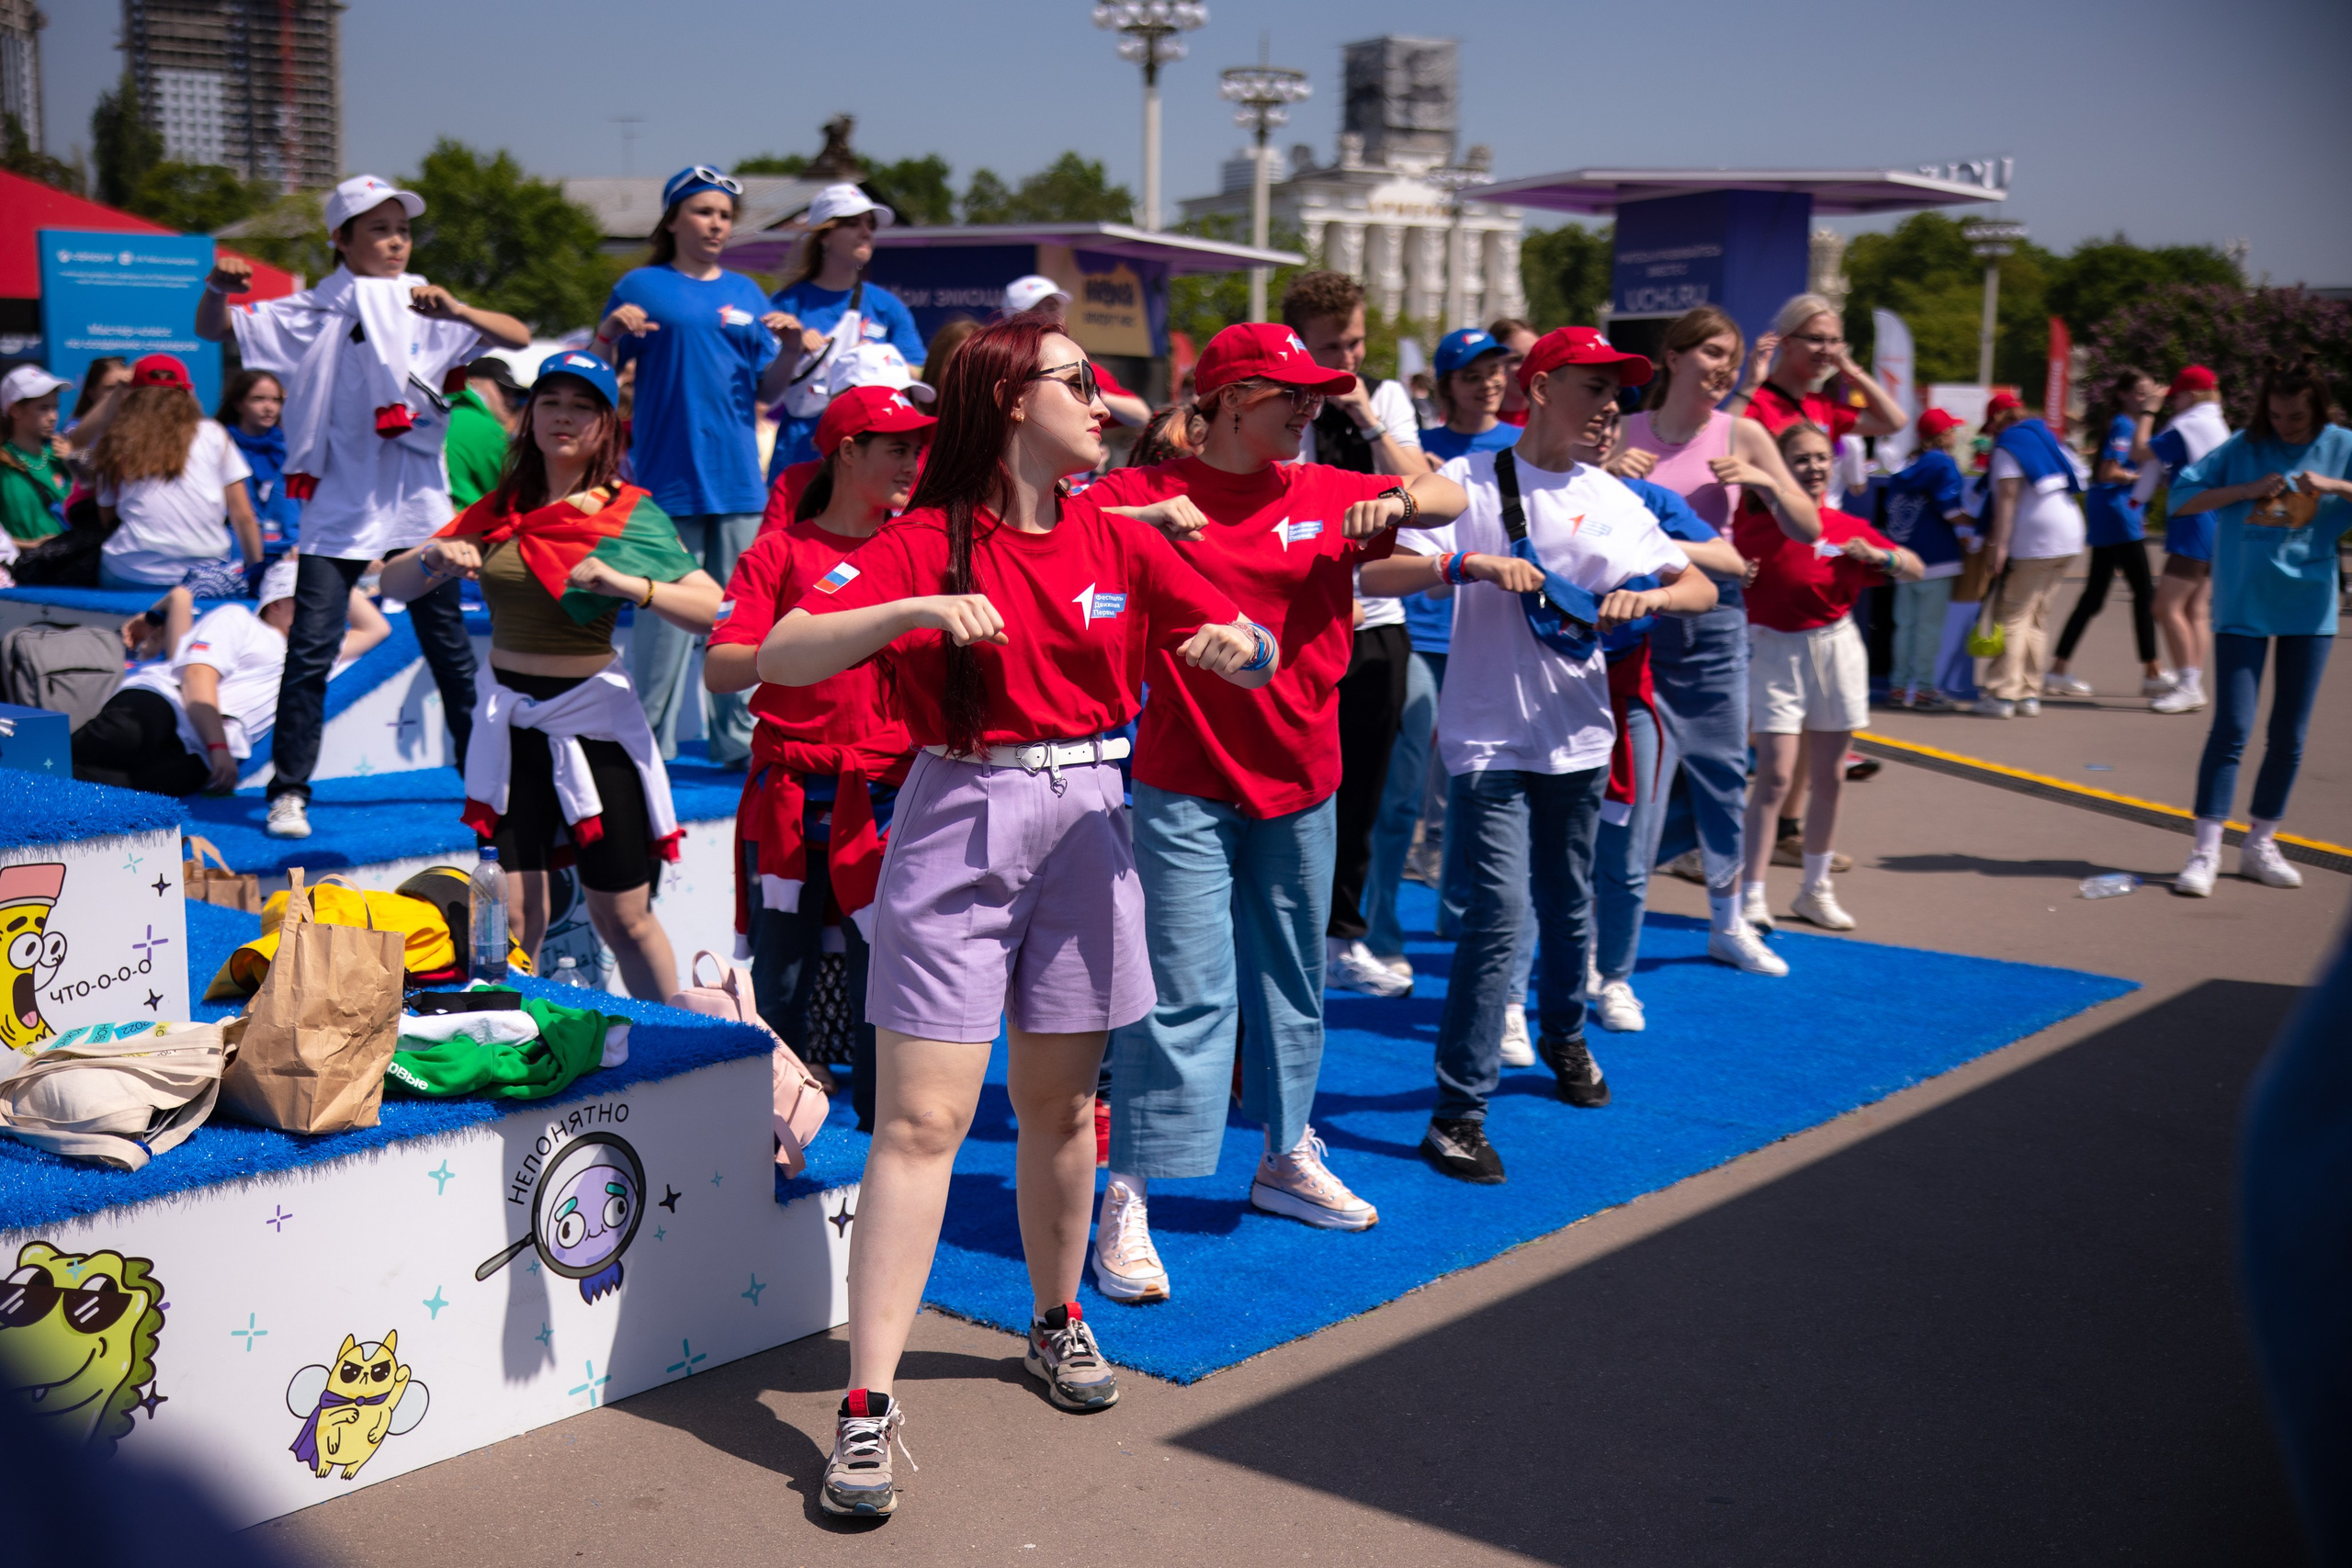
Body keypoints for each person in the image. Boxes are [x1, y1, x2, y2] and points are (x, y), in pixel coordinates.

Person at [755, 311, 1269, 1517]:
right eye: (1079, 382)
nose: (1106, 401)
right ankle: (866, 1405)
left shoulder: (1112, 530)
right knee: (923, 1122)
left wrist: (1236, 646)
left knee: (1060, 1105)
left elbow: (1226, 635)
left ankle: (1054, 1317)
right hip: (961, 811)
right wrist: (911, 614)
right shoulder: (920, 536)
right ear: (1004, 401)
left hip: (1093, 815)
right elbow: (778, 653)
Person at [1076, 321, 1465, 1300]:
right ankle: (1127, 1192)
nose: (1308, 409)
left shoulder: (1328, 489)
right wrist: (1140, 532)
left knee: (1291, 981)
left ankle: (1284, 1153)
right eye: (1292, 394)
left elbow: (1449, 499)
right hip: (1182, 781)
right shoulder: (1146, 494)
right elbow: (1062, 532)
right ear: (1230, 400)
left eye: (1316, 397)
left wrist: (1403, 499)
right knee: (1179, 991)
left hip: (1302, 781)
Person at [1363, 326, 1714, 1184]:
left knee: (1569, 903)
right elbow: (1376, 575)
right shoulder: (1468, 483)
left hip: (1581, 735)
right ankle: (1457, 1113)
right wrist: (1466, 564)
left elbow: (1702, 583)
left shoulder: (1613, 494)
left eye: (1617, 392)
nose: (1611, 406)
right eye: (1597, 387)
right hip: (1487, 740)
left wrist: (1653, 597)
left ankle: (1563, 1035)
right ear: (1545, 385)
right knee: (1499, 917)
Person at [198, 173, 527, 840]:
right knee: (310, 653)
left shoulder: (429, 303)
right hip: (337, 508)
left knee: (449, 651)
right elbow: (215, 329)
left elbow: (517, 337)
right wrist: (217, 288)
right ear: (340, 240)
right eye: (377, 228)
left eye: (402, 229)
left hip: (418, 506)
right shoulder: (311, 309)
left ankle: (482, 788)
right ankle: (289, 792)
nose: (395, 241)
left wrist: (459, 311)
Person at [383, 350, 722, 998]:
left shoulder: (629, 512)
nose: (564, 417)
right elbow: (394, 580)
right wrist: (433, 556)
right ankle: (523, 1048)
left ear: (605, 424)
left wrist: (631, 584)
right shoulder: (500, 506)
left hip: (594, 726)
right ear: (530, 415)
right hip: (511, 728)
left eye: (581, 405)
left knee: (622, 916)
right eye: (551, 402)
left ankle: (684, 1048)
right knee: (513, 920)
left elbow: (710, 607)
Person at [705, 384, 933, 1129]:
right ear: (846, 451)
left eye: (916, 447)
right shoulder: (780, 551)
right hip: (793, 795)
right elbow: (722, 666)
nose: (913, 461)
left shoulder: (926, 546)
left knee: (886, 979)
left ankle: (882, 1143)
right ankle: (765, 1130)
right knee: (782, 975)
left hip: (892, 793)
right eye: (897, 446)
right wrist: (801, 647)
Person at [1619, 303, 1819, 976]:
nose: (1722, 368)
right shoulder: (1623, 431)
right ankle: (1609, 929)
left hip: (1714, 623)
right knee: (1633, 786)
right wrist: (1610, 471)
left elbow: (1808, 526)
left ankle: (1728, 922)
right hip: (1633, 621)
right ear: (1673, 357)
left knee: (1723, 773)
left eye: (1730, 358)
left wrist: (1765, 480)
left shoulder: (1746, 432)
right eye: (1709, 353)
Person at [595, 166, 800, 768]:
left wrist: (789, 348)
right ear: (672, 218)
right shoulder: (641, 284)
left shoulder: (747, 292)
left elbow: (768, 392)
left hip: (738, 483)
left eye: (725, 215)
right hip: (664, 483)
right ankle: (647, 746)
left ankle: (735, 742)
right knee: (661, 626)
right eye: (704, 211)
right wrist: (606, 335)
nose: (717, 224)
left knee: (740, 618)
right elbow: (593, 380)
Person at [1280, 271, 1430, 996]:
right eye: (1332, 345)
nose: (1348, 356)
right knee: (1301, 785)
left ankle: (1344, 938)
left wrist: (1367, 418)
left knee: (1367, 786)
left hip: (1380, 615)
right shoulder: (1284, 408)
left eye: (1357, 341)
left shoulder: (1387, 397)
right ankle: (1290, 934)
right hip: (1302, 618)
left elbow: (1424, 487)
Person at [1581, 406, 1749, 1031]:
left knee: (1627, 850)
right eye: (1587, 407)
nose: (1597, 427)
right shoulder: (1519, 487)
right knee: (1548, 855)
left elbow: (1721, 568)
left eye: (1609, 416)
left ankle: (1616, 976)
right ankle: (1523, 994)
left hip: (1628, 692)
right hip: (1543, 699)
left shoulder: (1640, 499)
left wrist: (1649, 562)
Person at [2164, 355, 2351, 898]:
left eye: (2296, 416)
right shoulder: (2245, 445)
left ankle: (2261, 843)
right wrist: (2245, 490)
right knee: (2232, 729)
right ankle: (2204, 851)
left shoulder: (2342, 443)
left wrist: (2334, 484)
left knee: (2289, 736)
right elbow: (2181, 499)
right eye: (2275, 414)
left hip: (2309, 609)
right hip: (2244, 604)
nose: (2285, 426)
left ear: (2317, 407)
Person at [1738, 422, 1922, 932]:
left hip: (1836, 648)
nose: (1815, 468)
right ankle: (1750, 895)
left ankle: (1814, 889)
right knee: (1773, 777)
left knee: (1831, 777)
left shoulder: (1845, 525)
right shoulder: (1749, 527)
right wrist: (1733, 574)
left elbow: (1915, 567)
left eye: (1822, 458)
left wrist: (1879, 556)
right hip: (1773, 650)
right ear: (1778, 467)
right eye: (1801, 459)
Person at [73, 558, 387, 795]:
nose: (321, 605)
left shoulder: (316, 651)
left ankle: (43, 775)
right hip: (172, 704)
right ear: (277, 603)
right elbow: (198, 676)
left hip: (204, 746)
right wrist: (218, 747)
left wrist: (327, 564)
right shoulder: (238, 619)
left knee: (134, 789)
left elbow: (376, 628)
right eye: (310, 596)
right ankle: (35, 755)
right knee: (128, 735)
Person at [765, 184, 926, 479]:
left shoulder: (886, 305)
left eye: (870, 225)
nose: (866, 232)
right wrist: (794, 349)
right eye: (853, 224)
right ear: (824, 235)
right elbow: (764, 390)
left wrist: (876, 359)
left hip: (867, 453)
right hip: (799, 453)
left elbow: (918, 371)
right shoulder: (786, 303)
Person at [90, 355, 262, 598]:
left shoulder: (116, 439)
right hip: (205, 574)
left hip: (131, 572)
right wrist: (256, 573)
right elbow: (243, 515)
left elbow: (107, 516)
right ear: (187, 394)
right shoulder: (213, 434)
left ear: (132, 395)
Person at [2049, 369, 2166, 697]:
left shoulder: (2123, 425)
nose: (2146, 398)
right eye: (2140, 393)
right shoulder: (2125, 426)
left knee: (2093, 598)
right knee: (2144, 594)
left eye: (2148, 392)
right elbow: (2108, 471)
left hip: (2111, 518)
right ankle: (2152, 672)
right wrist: (2142, 478)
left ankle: (2058, 668)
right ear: (2123, 395)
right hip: (2119, 518)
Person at [1974, 390, 2087, 717]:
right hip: (2068, 534)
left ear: (1997, 422)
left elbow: (2006, 499)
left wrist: (1999, 547)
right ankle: (2028, 692)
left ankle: (2001, 694)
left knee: (2011, 615)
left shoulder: (2009, 443)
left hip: (2036, 539)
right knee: (2037, 616)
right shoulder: (2045, 436)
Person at [760, 343, 932, 536]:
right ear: (839, 401)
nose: (896, 402)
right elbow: (769, 555)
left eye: (904, 394)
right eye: (879, 393)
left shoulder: (926, 475)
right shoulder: (794, 482)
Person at [2142, 366, 2233, 715]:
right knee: (2195, 610)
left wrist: (2148, 411)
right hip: (2213, 521)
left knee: (2165, 606)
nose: (2172, 402)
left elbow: (2139, 451)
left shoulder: (2188, 425)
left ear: (2191, 396)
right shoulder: (2216, 422)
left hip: (2193, 521)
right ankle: (2192, 683)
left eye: (2176, 396)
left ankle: (2187, 684)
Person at [1880, 408, 1974, 706]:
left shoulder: (1910, 463)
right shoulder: (1944, 464)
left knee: (1904, 626)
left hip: (1903, 560)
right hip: (1937, 560)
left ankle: (1897, 688)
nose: (1956, 435)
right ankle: (1924, 690)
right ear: (1944, 435)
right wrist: (1981, 522)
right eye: (1953, 430)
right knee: (1928, 629)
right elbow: (1951, 511)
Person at [1000, 276, 1152, 427]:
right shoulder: (998, 364)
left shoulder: (1083, 369)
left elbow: (1142, 416)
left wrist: (1086, 390)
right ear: (1013, 320)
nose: (1046, 316)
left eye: (1052, 307)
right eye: (1035, 310)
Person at [215, 369, 300, 562]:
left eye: (276, 400)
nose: (269, 407)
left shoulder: (289, 448)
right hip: (234, 548)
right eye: (258, 399)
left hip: (288, 547)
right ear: (238, 404)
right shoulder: (219, 444)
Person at [1419, 328, 1519, 464]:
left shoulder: (1524, 442)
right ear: (1446, 387)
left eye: (1493, 372)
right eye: (1473, 378)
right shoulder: (1420, 447)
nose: (1488, 384)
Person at [0, 365, 72, 545]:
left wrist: (75, 466)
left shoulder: (59, 456)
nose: (53, 416)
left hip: (68, 566)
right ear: (15, 410)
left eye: (55, 407)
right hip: (21, 569)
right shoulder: (3, 461)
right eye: (43, 408)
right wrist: (30, 547)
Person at [444, 355, 523, 510]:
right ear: (473, 383)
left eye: (513, 394)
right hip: (466, 525)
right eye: (503, 390)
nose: (510, 400)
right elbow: (511, 489)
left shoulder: (438, 416)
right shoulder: (486, 429)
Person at [1489, 317, 1539, 427]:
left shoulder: (1556, 419)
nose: (1529, 367)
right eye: (1516, 359)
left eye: (1534, 358)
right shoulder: (1472, 422)